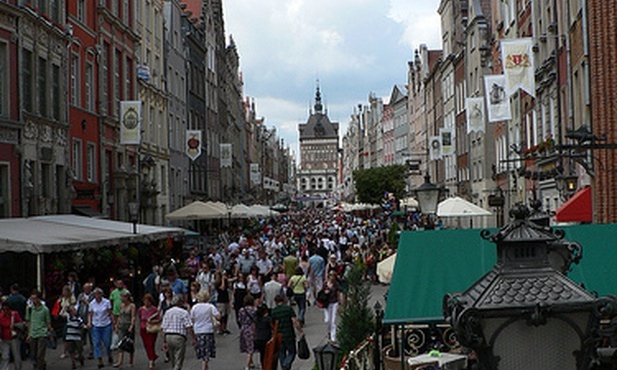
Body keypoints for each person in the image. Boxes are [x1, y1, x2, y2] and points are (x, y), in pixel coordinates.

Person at [161, 295, 196, 370]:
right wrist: (193, 338)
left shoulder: (167, 312)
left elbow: (163, 328)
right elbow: (189, 326)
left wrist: (164, 341)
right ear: (180, 303)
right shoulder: (184, 312)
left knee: (172, 358)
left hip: (168, 336)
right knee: (179, 359)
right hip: (179, 337)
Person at [270, 294, 303, 370]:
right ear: (284, 300)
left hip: (279, 335)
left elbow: (272, 324)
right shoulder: (288, 309)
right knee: (292, 352)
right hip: (289, 334)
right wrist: (300, 331)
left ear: (275, 302)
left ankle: (284, 366)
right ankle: (286, 364)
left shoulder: (274, 311)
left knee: (282, 353)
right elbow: (294, 321)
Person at [189, 291, 220, 370]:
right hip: (208, 330)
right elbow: (218, 316)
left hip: (198, 330)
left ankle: (205, 366)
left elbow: (191, 319)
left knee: (202, 350)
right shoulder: (210, 306)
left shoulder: (195, 307)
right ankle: (204, 367)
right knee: (207, 351)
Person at [25, 289, 53, 370]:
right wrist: (28, 334)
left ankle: (39, 367)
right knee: (33, 353)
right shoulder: (30, 309)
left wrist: (50, 333)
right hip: (33, 333)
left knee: (40, 354)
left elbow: (48, 322)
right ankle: (40, 364)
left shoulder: (45, 309)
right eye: (32, 298)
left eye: (35, 298)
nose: (33, 300)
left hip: (42, 333)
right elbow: (28, 322)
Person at [87, 287, 114, 368]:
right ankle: (100, 360)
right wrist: (89, 322)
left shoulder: (106, 302)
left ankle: (109, 355)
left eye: (99, 294)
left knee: (107, 342)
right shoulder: (92, 303)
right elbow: (90, 314)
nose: (97, 296)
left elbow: (110, 313)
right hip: (96, 325)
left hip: (106, 324)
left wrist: (114, 323)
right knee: (96, 343)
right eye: (96, 294)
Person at [113, 291, 136, 368]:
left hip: (128, 325)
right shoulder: (122, 306)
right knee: (120, 343)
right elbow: (119, 315)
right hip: (121, 326)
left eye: (123, 297)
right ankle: (120, 361)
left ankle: (131, 361)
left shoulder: (132, 306)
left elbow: (133, 316)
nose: (122, 299)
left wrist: (131, 326)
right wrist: (116, 324)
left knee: (129, 343)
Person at [138, 294, 159, 370]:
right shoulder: (141, 309)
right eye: (145, 301)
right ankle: (153, 356)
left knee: (150, 344)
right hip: (143, 329)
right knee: (146, 345)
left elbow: (159, 319)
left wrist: (152, 321)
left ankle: (151, 360)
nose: (146, 303)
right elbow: (140, 317)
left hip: (151, 329)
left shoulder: (154, 309)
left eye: (148, 301)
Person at [0, 300, 23, 370]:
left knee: (16, 356)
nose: (5, 311)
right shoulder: (1, 316)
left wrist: (14, 325)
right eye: (4, 309)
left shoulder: (14, 314)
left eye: (7, 309)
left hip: (14, 338)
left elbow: (21, 324)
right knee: (5, 356)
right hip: (4, 338)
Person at [238, 295, 257, 370]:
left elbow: (239, 319)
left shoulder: (242, 310)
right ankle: (248, 365)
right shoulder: (255, 310)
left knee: (247, 346)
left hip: (244, 328)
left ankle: (251, 362)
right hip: (252, 329)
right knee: (251, 347)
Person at [58, 285, 77, 359]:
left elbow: (73, 307)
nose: (64, 293)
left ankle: (72, 350)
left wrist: (69, 309)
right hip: (63, 317)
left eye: (65, 291)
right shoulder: (62, 299)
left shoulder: (71, 298)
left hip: (69, 318)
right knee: (64, 335)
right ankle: (65, 351)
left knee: (69, 334)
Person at [76, 283, 94, 359]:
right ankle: (80, 353)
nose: (86, 290)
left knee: (91, 336)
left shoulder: (93, 296)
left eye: (88, 288)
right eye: (85, 288)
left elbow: (94, 306)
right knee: (81, 335)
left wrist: (86, 301)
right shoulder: (80, 295)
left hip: (90, 318)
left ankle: (92, 352)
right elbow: (77, 304)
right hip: (81, 318)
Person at [64, 305, 84, 370]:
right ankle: (73, 362)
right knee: (71, 350)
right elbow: (62, 313)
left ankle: (80, 357)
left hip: (77, 336)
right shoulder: (68, 317)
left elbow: (82, 324)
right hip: (69, 336)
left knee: (79, 349)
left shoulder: (78, 318)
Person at [253, 304, 272, 370]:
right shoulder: (268, 319)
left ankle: (263, 366)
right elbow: (272, 327)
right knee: (268, 354)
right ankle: (267, 366)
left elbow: (254, 328)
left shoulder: (256, 319)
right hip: (266, 338)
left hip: (258, 338)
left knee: (262, 354)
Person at [323, 271, 340, 341]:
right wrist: (325, 292)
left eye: (333, 276)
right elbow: (321, 292)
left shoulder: (336, 284)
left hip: (334, 303)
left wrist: (340, 303)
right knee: (327, 320)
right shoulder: (325, 284)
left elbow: (338, 294)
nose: (332, 277)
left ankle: (333, 337)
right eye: (331, 275)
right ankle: (329, 331)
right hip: (327, 303)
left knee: (333, 320)